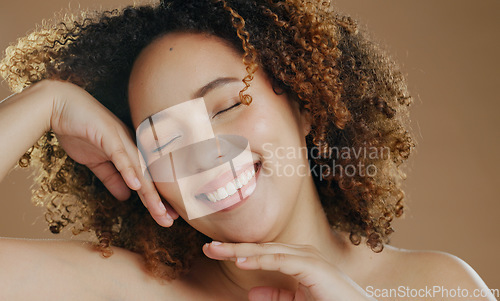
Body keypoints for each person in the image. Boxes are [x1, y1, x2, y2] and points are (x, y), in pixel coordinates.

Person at [0, 0, 495, 300]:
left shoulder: (436, 285)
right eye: (164, 142)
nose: (207, 153)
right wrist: (48, 104)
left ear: (305, 106)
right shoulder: (126, 290)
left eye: (227, 107)